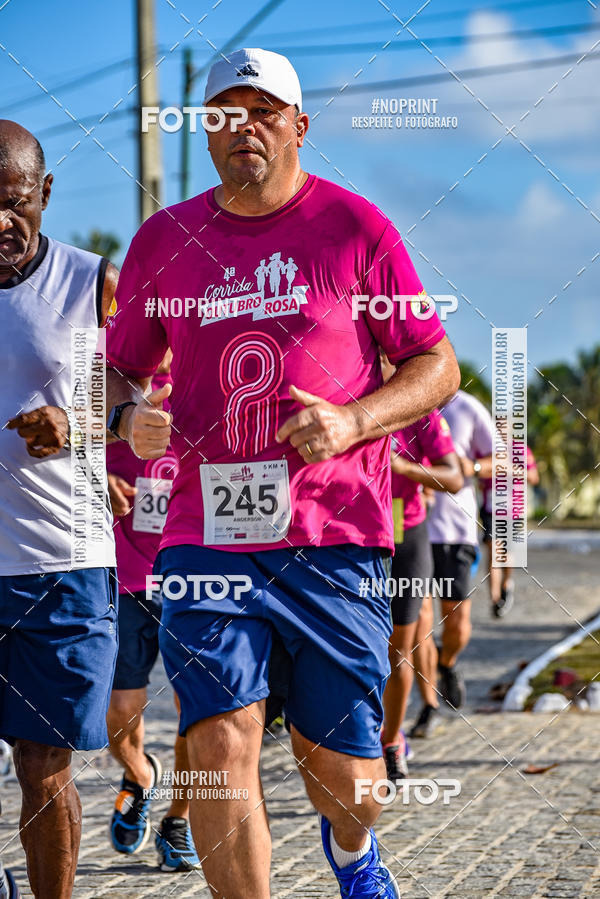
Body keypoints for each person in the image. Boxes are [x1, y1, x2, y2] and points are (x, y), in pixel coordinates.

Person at [105, 48, 460, 899]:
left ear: (299, 127)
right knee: (221, 743)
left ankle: (353, 851)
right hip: (206, 537)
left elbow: (435, 364)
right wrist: (124, 415)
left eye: (263, 111)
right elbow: (115, 368)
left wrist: (353, 420)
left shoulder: (355, 229)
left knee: (350, 782)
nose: (244, 127)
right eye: (224, 113)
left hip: (334, 537)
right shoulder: (164, 239)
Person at [0, 120, 117, 897]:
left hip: (60, 566)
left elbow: (155, 401)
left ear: (44, 195)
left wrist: (78, 425)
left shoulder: (92, 282)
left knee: (44, 771)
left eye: (12, 203)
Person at [106, 350, 200, 872]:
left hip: (197, 570)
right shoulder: (111, 377)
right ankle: (140, 775)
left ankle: (178, 821)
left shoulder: (204, 369)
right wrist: (103, 482)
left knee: (201, 711)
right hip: (126, 574)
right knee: (120, 711)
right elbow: (60, 447)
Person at [379, 357, 463, 780]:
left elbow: (456, 477)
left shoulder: (416, 409)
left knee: (398, 651)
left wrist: (406, 469)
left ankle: (391, 740)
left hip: (404, 534)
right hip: (345, 538)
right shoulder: (338, 395)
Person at [412, 389, 494, 715]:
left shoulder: (467, 407)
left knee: (457, 624)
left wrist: (471, 467)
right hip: (412, 529)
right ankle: (429, 705)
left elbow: (505, 460)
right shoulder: (405, 403)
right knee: (420, 619)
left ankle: (446, 663)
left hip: (456, 531)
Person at [480, 444, 539, 617]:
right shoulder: (485, 447)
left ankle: (507, 584)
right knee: (493, 550)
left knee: (507, 555)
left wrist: (510, 470)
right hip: (491, 509)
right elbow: (476, 471)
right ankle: (495, 600)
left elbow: (534, 477)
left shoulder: (522, 450)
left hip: (514, 511)